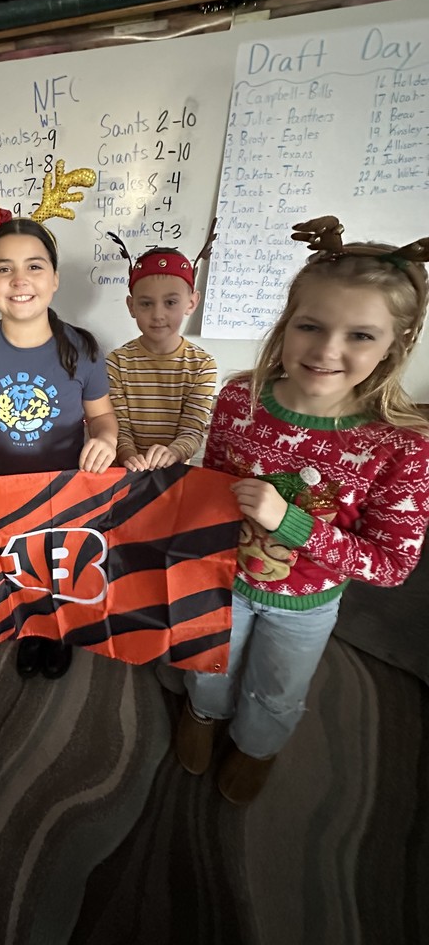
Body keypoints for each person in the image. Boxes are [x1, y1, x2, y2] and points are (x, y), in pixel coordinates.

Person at [172, 215, 429, 804]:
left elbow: (390, 565)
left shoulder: (401, 445)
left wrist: (290, 522)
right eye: (310, 325)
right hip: (222, 580)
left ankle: (257, 745)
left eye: (361, 335)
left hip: (307, 606)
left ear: (397, 344)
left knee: (279, 690)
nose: (327, 350)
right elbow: (213, 481)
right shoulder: (240, 397)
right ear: (287, 324)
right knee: (208, 659)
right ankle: (203, 714)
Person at [0, 215, 119, 679]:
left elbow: (102, 416)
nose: (19, 280)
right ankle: (31, 631)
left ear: (55, 278)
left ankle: (58, 632)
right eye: (3, 268)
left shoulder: (82, 348)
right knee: (16, 568)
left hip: (67, 491)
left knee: (61, 569)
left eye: (35, 266)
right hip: (3, 491)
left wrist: (105, 438)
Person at [106, 243, 217, 471]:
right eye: (146, 303)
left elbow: (192, 430)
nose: (158, 314)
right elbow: (119, 427)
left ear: (191, 303)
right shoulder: (116, 362)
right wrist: (129, 456)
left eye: (170, 303)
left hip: (173, 474)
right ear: (131, 306)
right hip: (126, 471)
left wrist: (173, 453)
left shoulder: (202, 365)